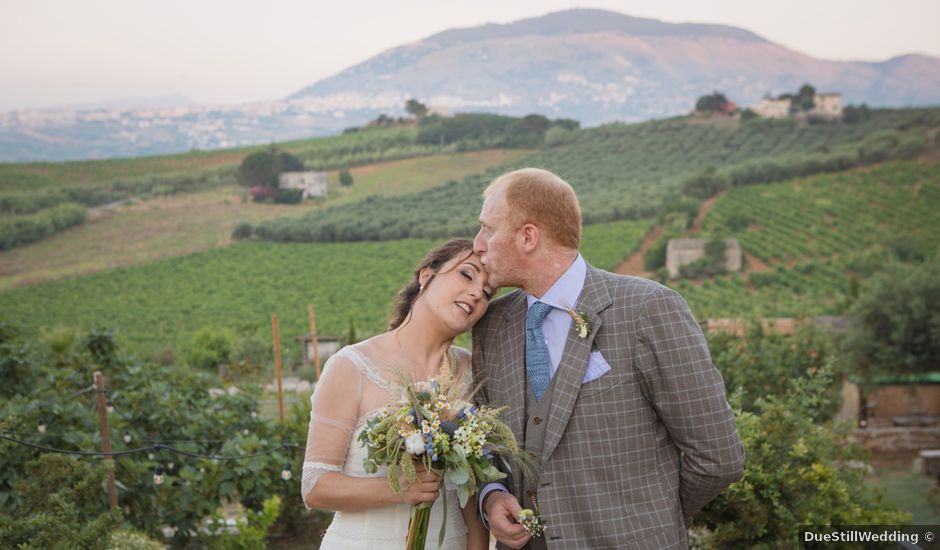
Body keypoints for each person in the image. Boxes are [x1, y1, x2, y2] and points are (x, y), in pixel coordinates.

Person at [471, 168, 745, 549]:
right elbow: (483, 441)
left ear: (528, 236)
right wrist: (493, 494)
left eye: (487, 229)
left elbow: (719, 457)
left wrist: (651, 519)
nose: (477, 244)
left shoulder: (648, 309)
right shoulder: (492, 324)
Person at [301, 239, 493, 549]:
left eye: (487, 292)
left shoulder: (472, 373)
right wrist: (399, 488)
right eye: (467, 275)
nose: (476, 293)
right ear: (426, 276)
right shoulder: (352, 366)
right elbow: (314, 486)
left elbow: (471, 492)